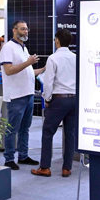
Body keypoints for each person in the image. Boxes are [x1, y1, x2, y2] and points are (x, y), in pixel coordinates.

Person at [32, 30, 77, 178]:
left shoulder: (53, 58)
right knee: (70, 134)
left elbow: (48, 81)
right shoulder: (76, 58)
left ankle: (45, 167)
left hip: (59, 99)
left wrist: (47, 98)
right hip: (74, 99)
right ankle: (67, 168)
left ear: (57, 40)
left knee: (48, 132)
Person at [0, 21, 44, 170]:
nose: (26, 31)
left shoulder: (22, 48)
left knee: (25, 128)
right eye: (23, 29)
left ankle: (23, 156)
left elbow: (29, 72)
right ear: (14, 30)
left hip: (28, 94)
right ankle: (9, 158)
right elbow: (9, 70)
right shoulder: (8, 48)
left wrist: (44, 68)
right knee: (12, 129)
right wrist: (28, 62)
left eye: (27, 29)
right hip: (16, 96)